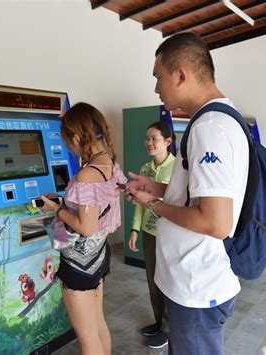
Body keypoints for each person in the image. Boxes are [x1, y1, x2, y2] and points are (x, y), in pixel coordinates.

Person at [123, 32, 249, 354]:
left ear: (181, 75)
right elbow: (201, 196)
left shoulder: (209, 129)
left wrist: (154, 204)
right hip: (196, 281)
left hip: (198, 286)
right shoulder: (219, 119)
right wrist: (158, 188)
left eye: (158, 77)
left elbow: (215, 222)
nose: (156, 88)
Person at [39, 102, 126, 355]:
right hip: (98, 255)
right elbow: (94, 211)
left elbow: (86, 227)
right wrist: (65, 203)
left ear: (77, 137)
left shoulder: (88, 174)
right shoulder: (108, 161)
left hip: (79, 265)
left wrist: (55, 209)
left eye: (67, 140)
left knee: (87, 337)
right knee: (97, 323)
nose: (67, 146)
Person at [128, 121, 175, 349]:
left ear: (168, 142)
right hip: (149, 231)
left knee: (167, 281)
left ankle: (168, 328)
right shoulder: (145, 169)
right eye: (147, 138)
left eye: (154, 138)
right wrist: (135, 229)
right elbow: (139, 202)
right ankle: (158, 322)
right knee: (152, 280)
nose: (149, 143)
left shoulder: (177, 169)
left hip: (169, 233)